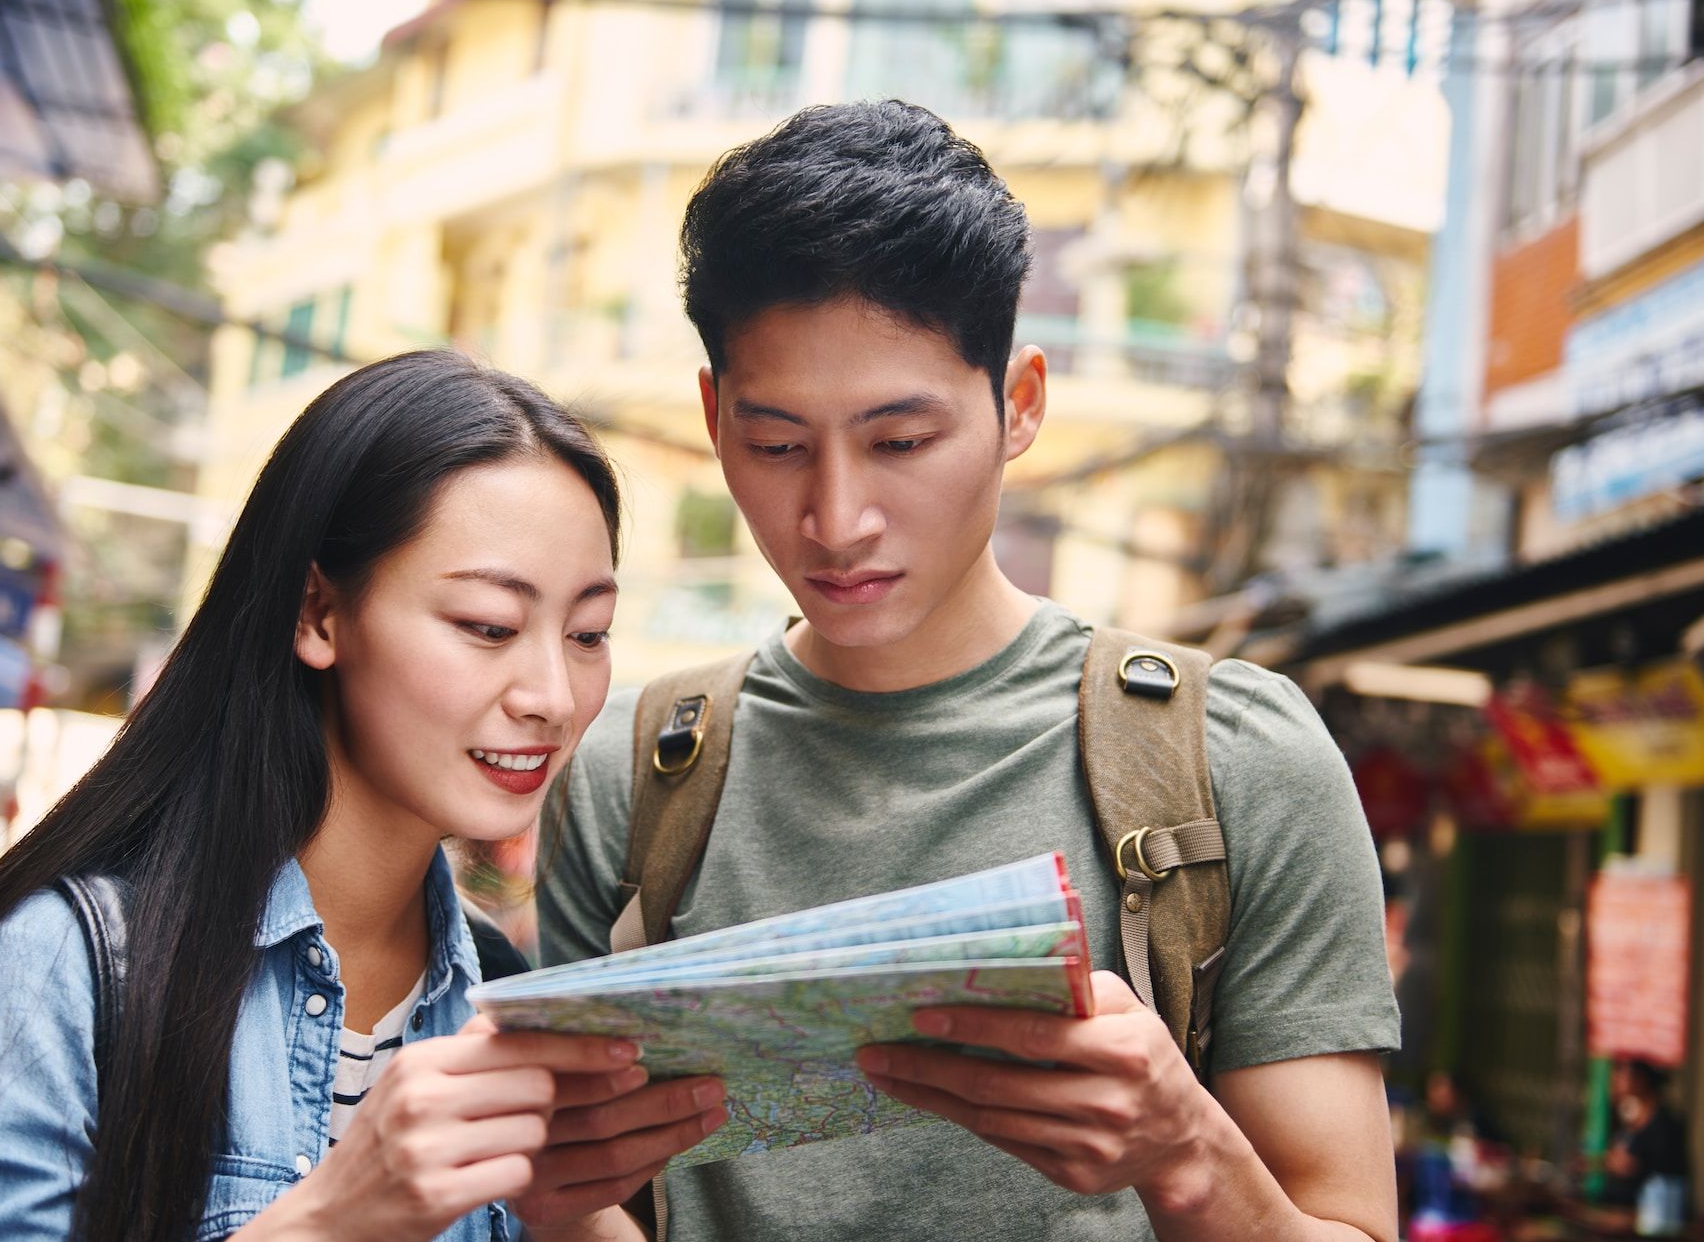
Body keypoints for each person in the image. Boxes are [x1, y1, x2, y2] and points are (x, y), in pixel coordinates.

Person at [538, 101, 1401, 1241]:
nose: (836, 519)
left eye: (901, 442)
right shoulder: (634, 780)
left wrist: (1184, 1153)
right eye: (777, 444)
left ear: (1021, 404)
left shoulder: (1233, 758)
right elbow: (592, 1209)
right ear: (713, 419)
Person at [0, 351, 725, 1242]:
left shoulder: (505, 1006)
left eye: (589, 633)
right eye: (489, 625)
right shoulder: (66, 965)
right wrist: (331, 1216)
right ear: (318, 612)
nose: (553, 696)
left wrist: (573, 1220)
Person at [1598, 1059, 1689, 1211]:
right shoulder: (1629, 1120)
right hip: (1619, 1207)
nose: (1616, 1078)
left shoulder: (1664, 1123)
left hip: (1652, 1211)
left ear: (1641, 1080)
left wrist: (1633, 1166)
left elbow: (1666, 1170)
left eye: (1623, 1073)